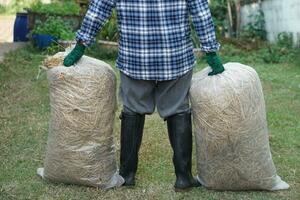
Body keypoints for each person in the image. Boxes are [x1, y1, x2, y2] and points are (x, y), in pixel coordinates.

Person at [63, 0, 224, 191]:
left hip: (135, 58)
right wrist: (210, 51)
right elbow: (201, 13)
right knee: (178, 109)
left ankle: (127, 175)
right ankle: (183, 178)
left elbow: (99, 9)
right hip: (175, 57)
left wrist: (81, 44)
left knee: (133, 109)